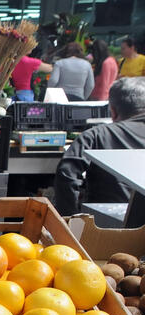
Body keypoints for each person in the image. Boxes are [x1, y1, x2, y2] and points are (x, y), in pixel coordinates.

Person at [54, 77, 145, 215]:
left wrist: (71, 219)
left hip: (106, 224)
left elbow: (66, 174)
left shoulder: (95, 135)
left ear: (112, 111)